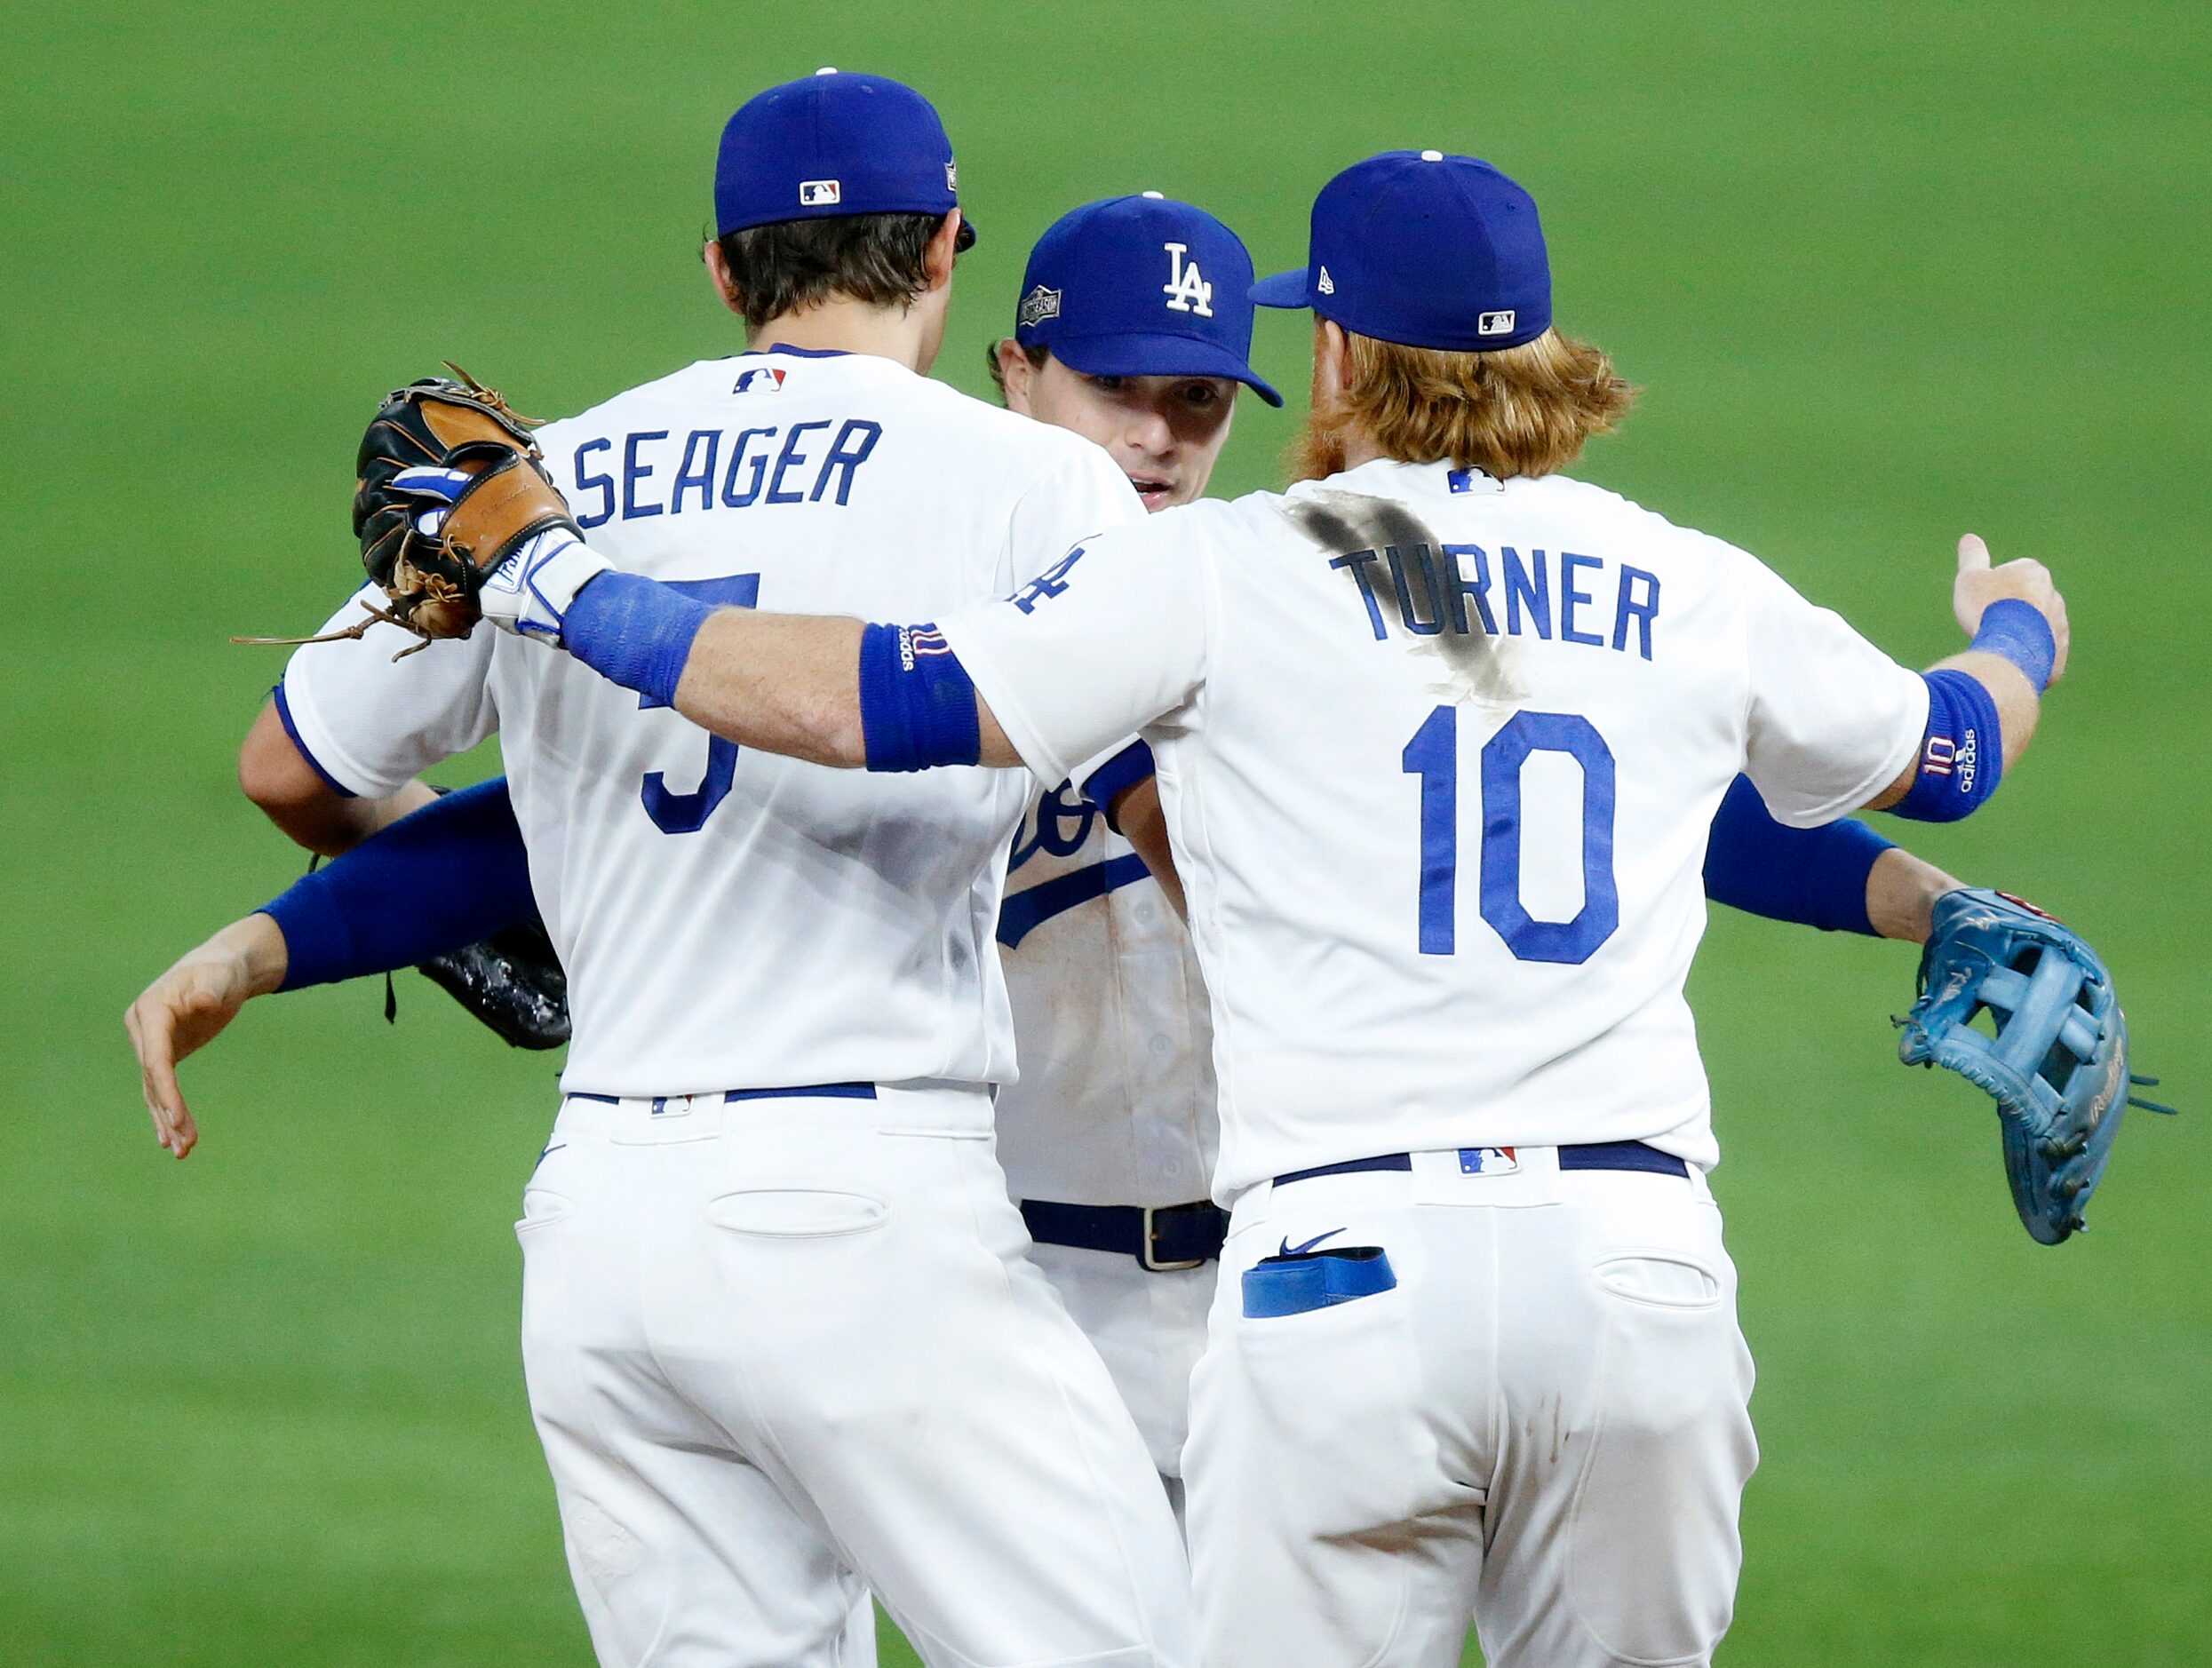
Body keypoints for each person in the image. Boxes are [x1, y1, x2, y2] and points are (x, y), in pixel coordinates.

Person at [382, 149, 2067, 1666]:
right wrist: (2017, 628)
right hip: (1635, 1283)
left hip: (1344, 1291)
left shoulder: (1223, 570)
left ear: (1331, 353)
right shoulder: (1693, 584)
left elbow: (874, 703)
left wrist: (560, 583)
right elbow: (1951, 747)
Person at [144, 70, 1206, 1668]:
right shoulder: (1029, 479)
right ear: (942, 257)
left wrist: (510, 905)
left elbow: (290, 766)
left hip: (602, 1235)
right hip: (861, 1211)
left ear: (721, 267)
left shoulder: (549, 474)